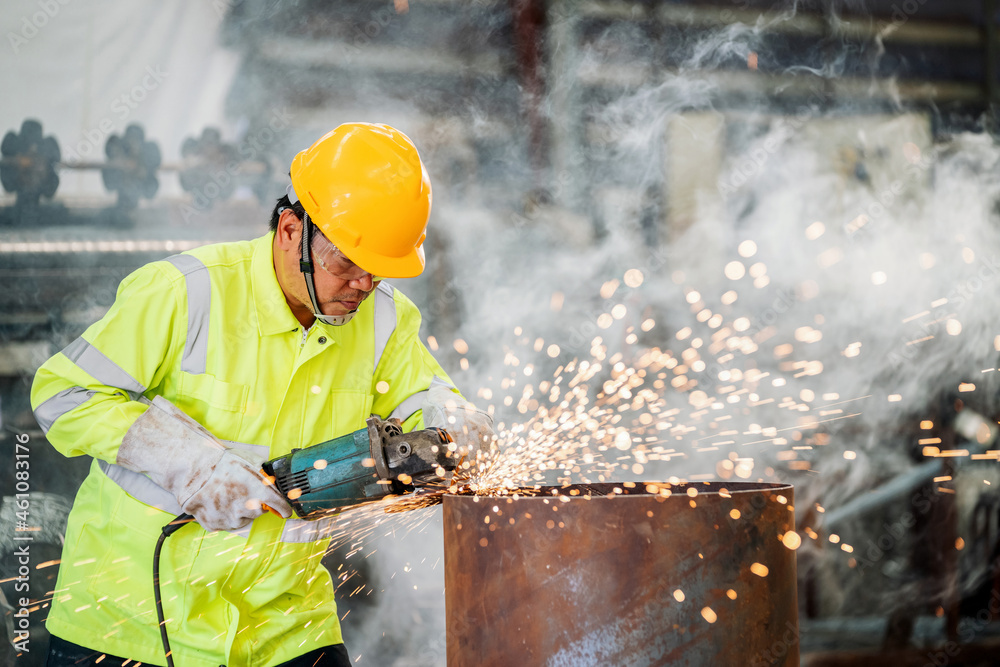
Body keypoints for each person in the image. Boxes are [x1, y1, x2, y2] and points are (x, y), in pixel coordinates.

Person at [30, 122, 493, 666]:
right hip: (134, 621)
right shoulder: (187, 293)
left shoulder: (385, 320)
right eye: (346, 262)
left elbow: (422, 394)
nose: (364, 285)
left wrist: (452, 421)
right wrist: (188, 464)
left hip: (285, 624)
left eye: (378, 270)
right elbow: (62, 393)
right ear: (291, 231)